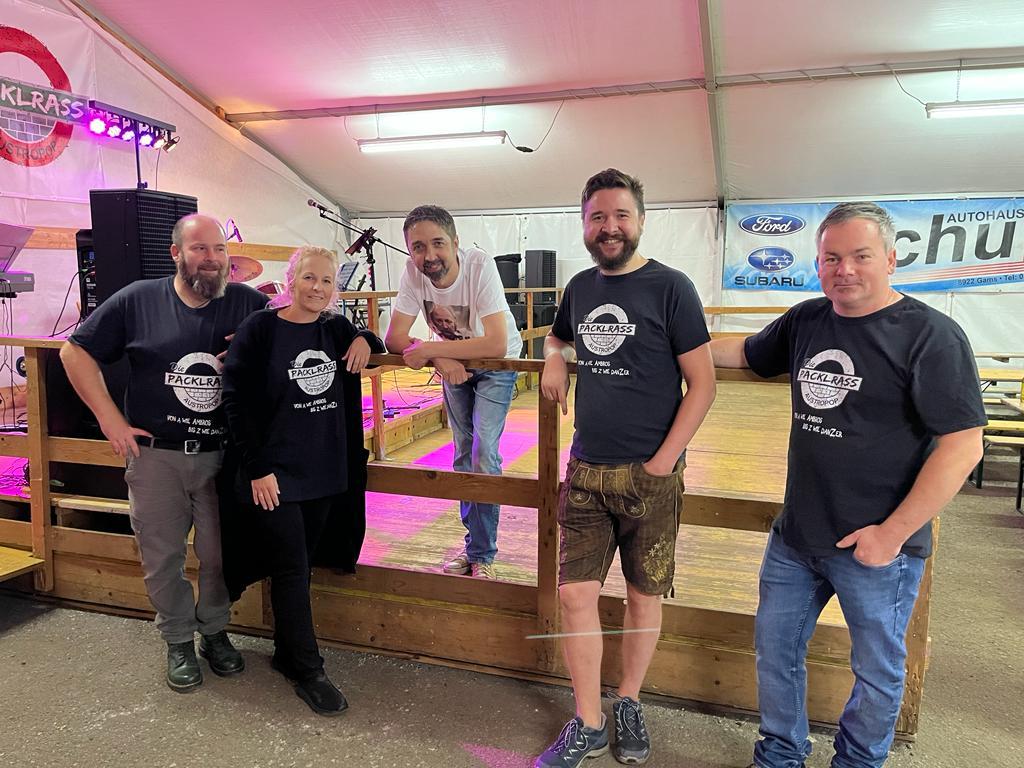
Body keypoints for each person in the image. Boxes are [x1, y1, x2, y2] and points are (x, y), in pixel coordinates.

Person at [709, 202, 985, 768]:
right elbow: (746, 351)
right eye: (831, 258)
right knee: (776, 653)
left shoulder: (930, 336)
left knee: (877, 671)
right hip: (797, 537)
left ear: (891, 259)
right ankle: (780, 754)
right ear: (817, 263)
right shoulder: (808, 319)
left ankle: (858, 762)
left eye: (860, 256)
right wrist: (672, 343)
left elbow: (963, 445)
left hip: (878, 546)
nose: (845, 270)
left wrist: (892, 533)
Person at [538, 169, 716, 767]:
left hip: (650, 474)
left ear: (640, 220)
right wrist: (555, 356)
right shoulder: (580, 288)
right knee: (574, 596)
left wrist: (662, 463)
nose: (608, 227)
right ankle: (588, 721)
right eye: (597, 217)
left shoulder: (671, 287)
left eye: (620, 215)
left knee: (643, 598)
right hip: (586, 470)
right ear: (584, 224)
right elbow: (558, 338)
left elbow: (703, 383)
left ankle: (630, 700)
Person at [59, 213, 268, 692]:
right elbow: (74, 352)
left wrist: (257, 351)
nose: (212, 259)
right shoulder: (138, 299)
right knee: (162, 557)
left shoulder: (248, 303)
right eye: (200, 249)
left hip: (222, 456)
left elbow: (300, 329)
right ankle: (177, 639)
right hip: (156, 457)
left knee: (220, 555)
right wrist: (110, 419)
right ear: (176, 253)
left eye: (219, 249)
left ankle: (214, 631)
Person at [220, 245, 385, 716]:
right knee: (292, 566)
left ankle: (285, 651)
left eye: (327, 281)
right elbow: (235, 400)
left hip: (325, 472)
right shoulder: (261, 329)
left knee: (301, 563)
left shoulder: (335, 329)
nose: (318, 288)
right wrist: (256, 468)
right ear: (291, 280)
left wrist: (365, 338)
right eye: (310, 277)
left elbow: (374, 342)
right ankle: (308, 670)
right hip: (276, 473)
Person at [385, 205, 522, 579]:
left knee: (484, 452)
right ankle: (475, 548)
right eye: (418, 247)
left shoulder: (479, 264)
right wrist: (440, 357)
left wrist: (432, 349)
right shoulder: (413, 273)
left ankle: (483, 555)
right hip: (453, 364)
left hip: (498, 364)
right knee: (463, 453)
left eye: (438, 243)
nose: (429, 255)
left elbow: (495, 342)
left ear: (455, 243)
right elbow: (394, 337)